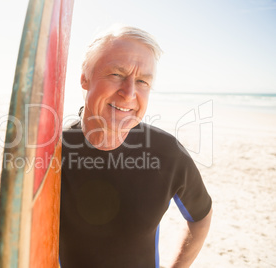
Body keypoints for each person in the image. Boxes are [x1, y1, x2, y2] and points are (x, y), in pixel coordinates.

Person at [59, 26, 213, 268]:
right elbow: (14, 233)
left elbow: (201, 216)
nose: (129, 93)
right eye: (117, 74)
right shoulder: (51, 154)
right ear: (84, 78)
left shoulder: (166, 153)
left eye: (142, 81)